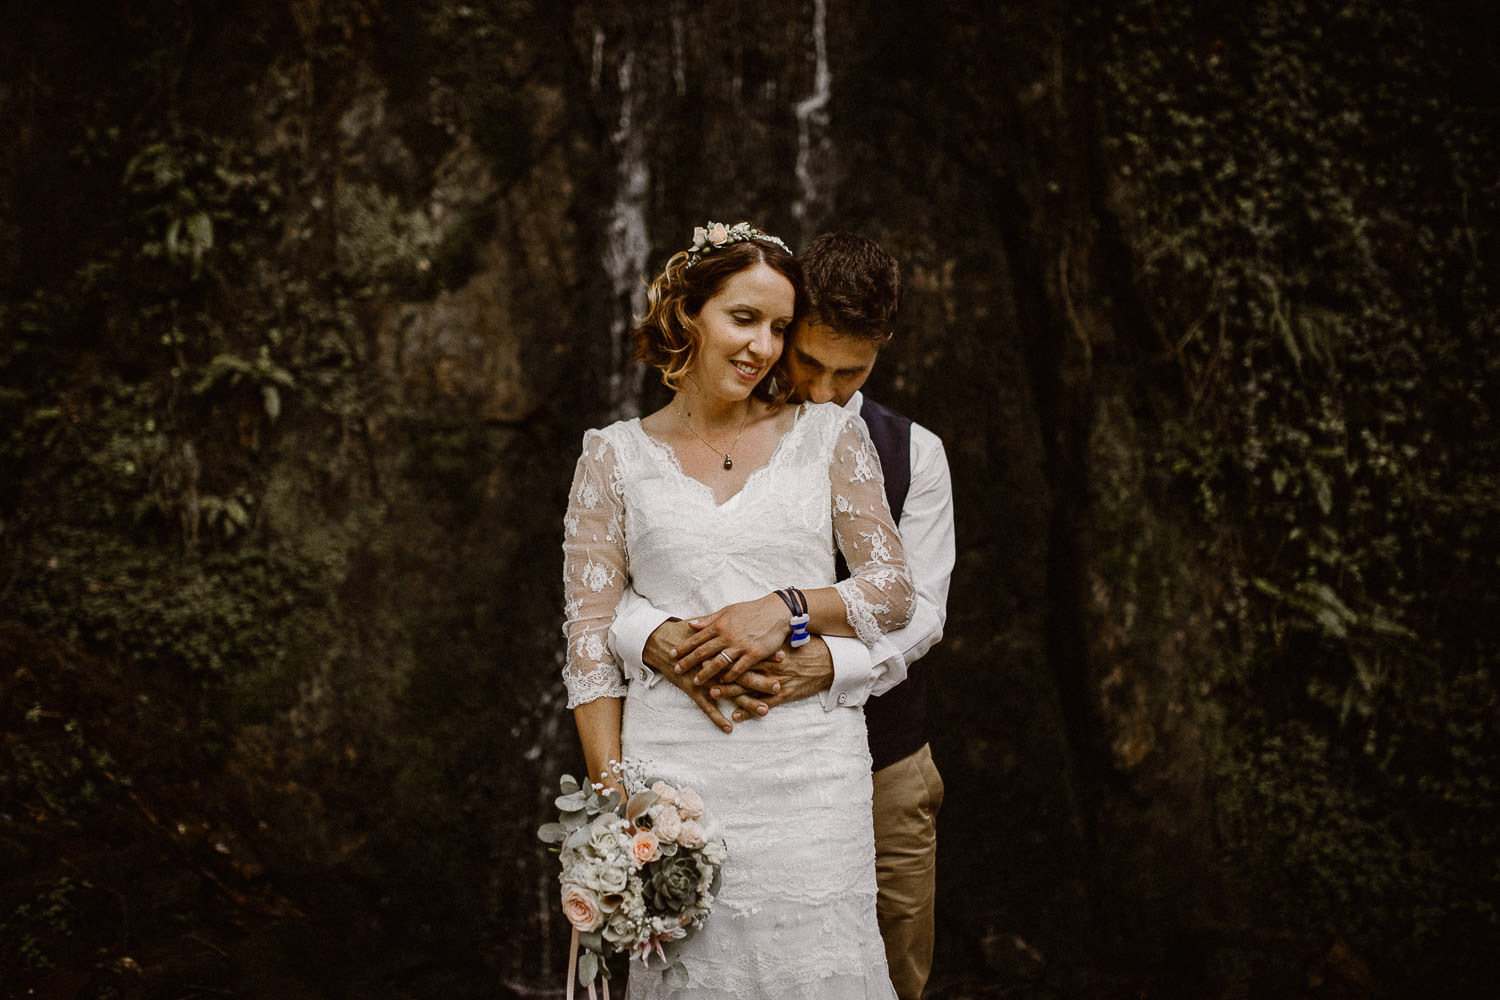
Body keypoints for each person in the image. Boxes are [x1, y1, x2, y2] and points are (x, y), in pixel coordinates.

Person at [561, 220, 915, 998]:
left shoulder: (828, 435)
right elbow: (588, 638)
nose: (762, 346)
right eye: (743, 318)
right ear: (689, 313)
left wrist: (790, 606)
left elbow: (891, 589)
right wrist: (620, 803)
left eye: (779, 328)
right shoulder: (611, 455)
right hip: (674, 781)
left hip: (811, 779)